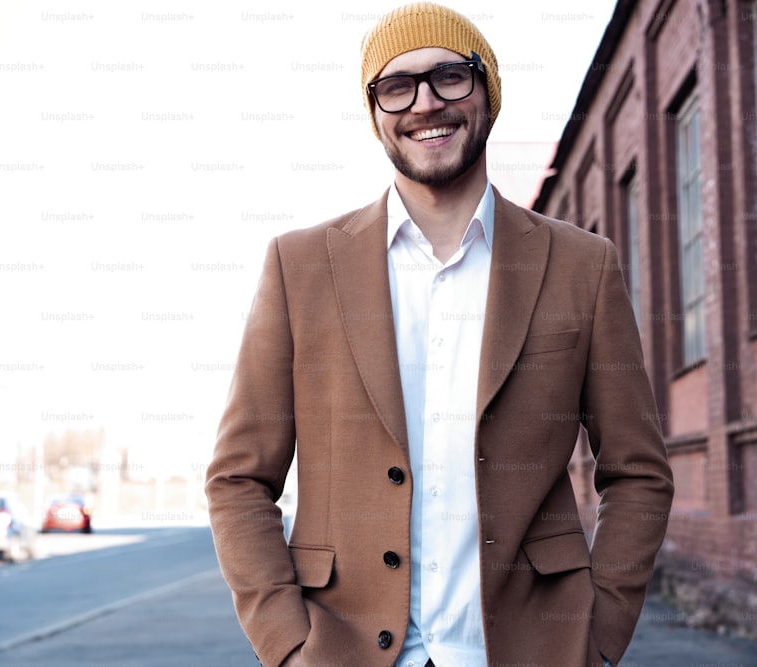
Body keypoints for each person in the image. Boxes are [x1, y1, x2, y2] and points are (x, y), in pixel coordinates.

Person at [204, 3, 674, 666]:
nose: (425, 103)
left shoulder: (582, 265)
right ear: (375, 115)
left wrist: (597, 638)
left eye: (450, 77)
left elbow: (638, 470)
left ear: (488, 93)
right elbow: (238, 477)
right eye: (396, 87)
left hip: (533, 648)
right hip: (345, 651)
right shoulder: (301, 266)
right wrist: (286, 643)